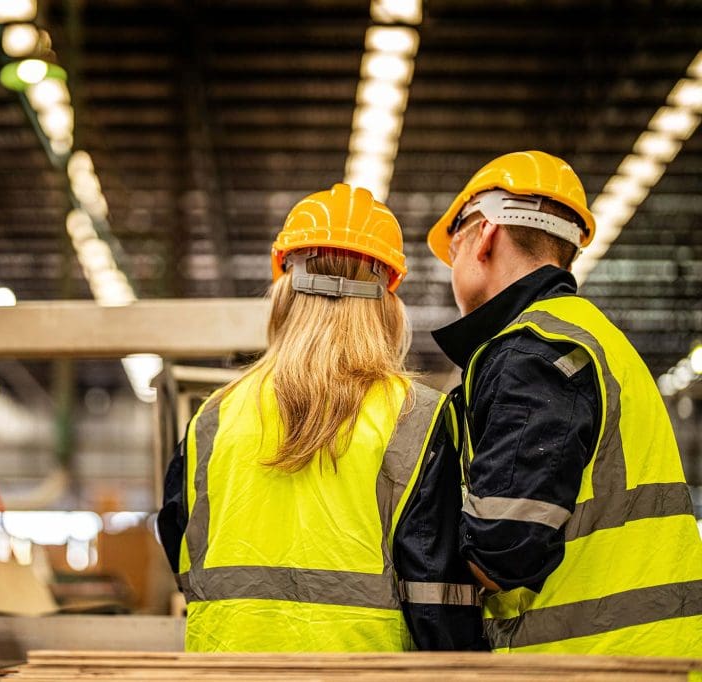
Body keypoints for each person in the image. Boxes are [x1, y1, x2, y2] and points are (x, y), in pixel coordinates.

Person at [156, 183, 485, 652]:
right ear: (388, 302)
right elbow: (440, 602)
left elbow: (180, 549)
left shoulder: (213, 419)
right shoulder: (417, 418)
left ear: (284, 290)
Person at [427, 150, 702, 655]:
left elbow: (501, 549)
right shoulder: (595, 338)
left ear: (484, 234)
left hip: (591, 661)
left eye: (455, 243)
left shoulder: (533, 350)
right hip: (647, 653)